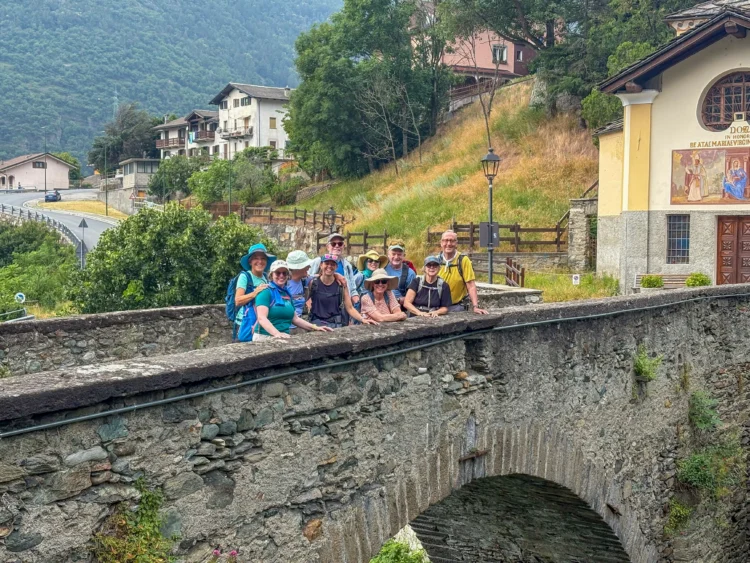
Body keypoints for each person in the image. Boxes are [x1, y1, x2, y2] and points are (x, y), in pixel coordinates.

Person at [254, 261, 333, 340]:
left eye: (284, 273)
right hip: (265, 337)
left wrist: (315, 327)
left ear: (288, 276)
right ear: (271, 275)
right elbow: (262, 318)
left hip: (283, 336)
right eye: (278, 273)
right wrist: (277, 333)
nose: (281, 276)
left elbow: (295, 319)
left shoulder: (286, 293)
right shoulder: (265, 292)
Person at [308, 254, 377, 328]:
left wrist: (363, 319)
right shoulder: (313, 283)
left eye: (332, 264)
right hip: (317, 324)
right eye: (327, 263)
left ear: (336, 267)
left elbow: (349, 308)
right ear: (321, 265)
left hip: (335, 325)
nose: (329, 266)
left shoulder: (341, 285)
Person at [437, 230, 488, 314]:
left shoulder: (463, 260)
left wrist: (475, 307)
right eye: (446, 240)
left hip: (457, 307)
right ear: (441, 243)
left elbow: (471, 285)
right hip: (437, 307)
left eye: (452, 241)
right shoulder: (435, 261)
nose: (448, 244)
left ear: (456, 243)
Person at [234, 243, 275, 340]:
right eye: (256, 258)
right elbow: (238, 300)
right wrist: (255, 293)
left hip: (261, 321)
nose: (259, 261)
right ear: (250, 261)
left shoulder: (266, 277)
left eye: (263, 258)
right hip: (245, 322)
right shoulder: (245, 277)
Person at [308, 233, 359, 305]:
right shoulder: (318, 261)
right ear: (328, 247)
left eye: (340, 244)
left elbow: (353, 289)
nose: (337, 246)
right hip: (321, 305)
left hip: (342, 306)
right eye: (333, 244)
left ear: (343, 246)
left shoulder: (347, 265)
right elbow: (307, 279)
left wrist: (359, 304)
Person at [384, 240, 415, 306]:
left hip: (400, 307)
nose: (396, 257)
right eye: (393, 254)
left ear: (404, 255)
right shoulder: (382, 268)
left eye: (399, 254)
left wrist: (396, 300)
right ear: (388, 255)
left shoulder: (410, 273)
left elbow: (412, 297)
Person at [285, 250, 313, 317]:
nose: (309, 267)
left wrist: (336, 275)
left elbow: (321, 276)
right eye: (306, 265)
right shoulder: (283, 284)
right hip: (287, 325)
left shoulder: (304, 280)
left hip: (299, 322)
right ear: (298, 268)